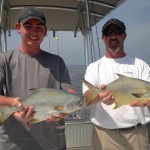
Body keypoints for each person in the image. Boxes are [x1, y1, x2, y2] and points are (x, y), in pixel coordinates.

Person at [0, 6, 76, 150]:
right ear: (18, 27)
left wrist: (67, 108)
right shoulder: (4, 60)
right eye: (28, 26)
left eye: (39, 28)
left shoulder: (57, 62)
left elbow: (69, 91)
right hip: (14, 144)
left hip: (53, 144)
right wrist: (14, 106)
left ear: (45, 31)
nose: (34, 32)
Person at [82, 18, 150, 150]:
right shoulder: (94, 67)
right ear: (103, 38)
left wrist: (146, 102)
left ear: (124, 35)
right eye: (108, 32)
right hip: (105, 136)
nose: (113, 36)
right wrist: (99, 97)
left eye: (117, 31)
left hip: (137, 134)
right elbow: (87, 98)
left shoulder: (141, 65)